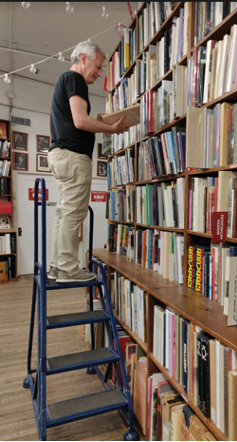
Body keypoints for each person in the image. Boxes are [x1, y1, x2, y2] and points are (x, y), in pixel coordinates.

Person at [48, 40, 130, 283]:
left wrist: (99, 122)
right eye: (98, 65)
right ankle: (68, 269)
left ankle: (57, 266)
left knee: (64, 213)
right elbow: (81, 122)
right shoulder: (75, 80)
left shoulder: (64, 81)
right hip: (73, 158)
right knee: (73, 213)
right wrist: (110, 128)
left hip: (60, 155)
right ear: (83, 58)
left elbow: (79, 120)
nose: (99, 72)